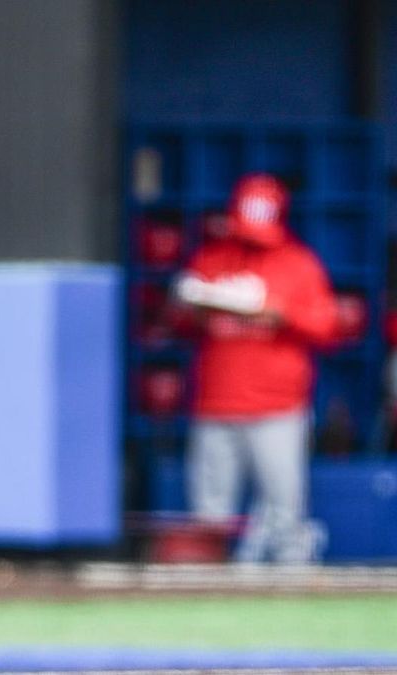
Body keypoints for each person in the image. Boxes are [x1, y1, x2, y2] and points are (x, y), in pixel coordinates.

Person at [172, 172, 338, 564]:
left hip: (277, 407)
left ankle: (294, 599)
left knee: (285, 516)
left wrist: (281, 314)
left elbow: (328, 327)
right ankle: (205, 609)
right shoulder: (210, 260)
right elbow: (176, 324)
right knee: (211, 518)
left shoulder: (299, 264)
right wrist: (193, 306)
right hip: (216, 405)